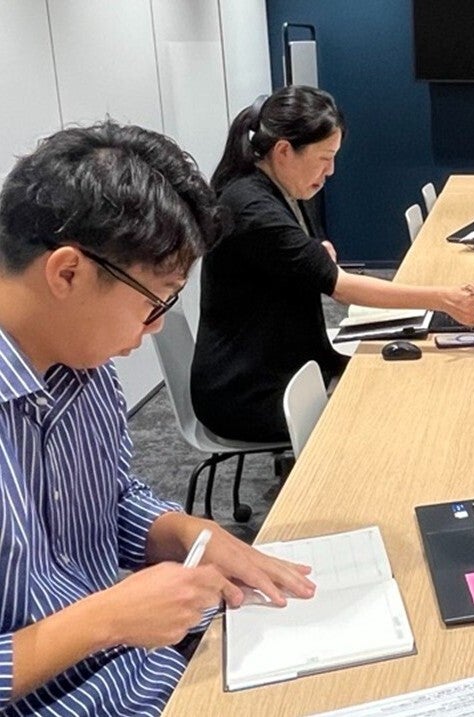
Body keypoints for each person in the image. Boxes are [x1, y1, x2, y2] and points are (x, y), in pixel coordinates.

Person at [0, 121, 316, 716]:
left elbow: (112, 498)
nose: (157, 327)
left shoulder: (82, 365)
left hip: (151, 665)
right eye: (155, 301)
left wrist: (186, 532)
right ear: (67, 273)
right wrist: (105, 619)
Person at [192, 86, 474, 443]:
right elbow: (340, 287)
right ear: (283, 151)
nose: (331, 170)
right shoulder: (250, 206)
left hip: (288, 360)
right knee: (396, 411)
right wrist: (445, 299)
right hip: (248, 390)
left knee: (402, 384)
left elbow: (300, 258)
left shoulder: (285, 188)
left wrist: (310, 253)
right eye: (324, 158)